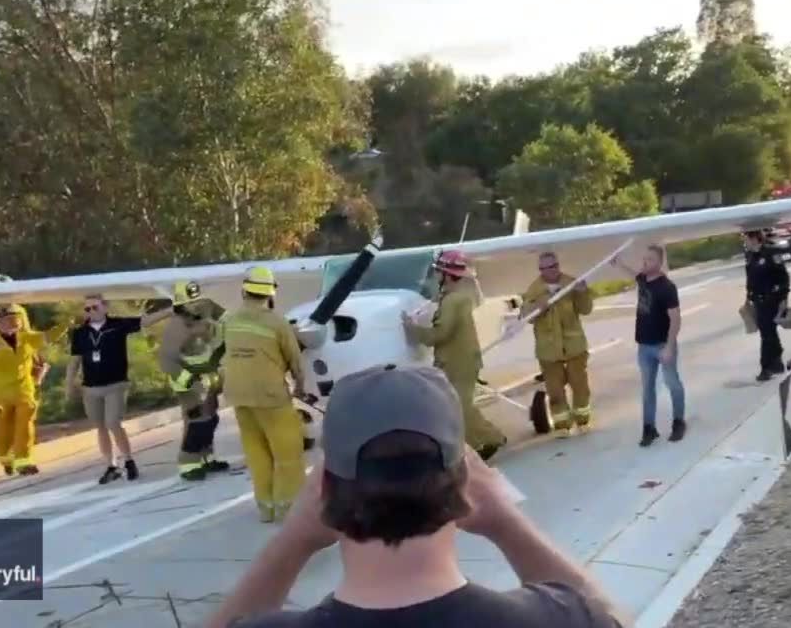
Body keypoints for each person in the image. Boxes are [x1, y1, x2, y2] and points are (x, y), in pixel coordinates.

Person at [205, 363, 627, 628]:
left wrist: (293, 540)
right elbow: (610, 617)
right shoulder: (562, 617)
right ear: (466, 482)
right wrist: (505, 521)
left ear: (325, 491)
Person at [217, 267, 310, 523]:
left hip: (238, 395)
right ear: (270, 293)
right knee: (288, 454)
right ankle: (289, 509)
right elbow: (295, 361)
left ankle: (266, 508)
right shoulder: (276, 322)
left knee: (256, 452)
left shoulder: (231, 321)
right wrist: (300, 386)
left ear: (244, 290)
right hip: (270, 396)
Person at [402, 250, 507, 460]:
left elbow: (438, 335)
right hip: (453, 362)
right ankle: (482, 442)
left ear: (446, 275)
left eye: (438, 272)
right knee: (457, 406)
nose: (435, 276)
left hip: (460, 363)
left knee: (461, 407)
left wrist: (411, 328)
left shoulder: (453, 301)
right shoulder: (450, 298)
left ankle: (492, 438)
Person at [66, 293, 172, 484]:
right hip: (91, 387)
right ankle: (111, 465)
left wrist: (171, 310)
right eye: (87, 309)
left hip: (115, 384)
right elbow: (74, 361)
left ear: (105, 307)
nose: (91, 312)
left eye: (95, 307)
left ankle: (129, 460)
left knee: (113, 422)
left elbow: (145, 321)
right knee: (100, 426)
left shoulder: (117, 325)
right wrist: (69, 384)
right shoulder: (80, 333)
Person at [0, 304, 72, 476]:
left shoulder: (28, 338)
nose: (11, 324)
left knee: (25, 424)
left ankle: (24, 461)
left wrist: (67, 323)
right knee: (2, 429)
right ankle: (6, 458)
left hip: (23, 391)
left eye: (15, 320)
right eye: (6, 321)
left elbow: (48, 336)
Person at [609, 245, 686, 447]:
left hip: (662, 344)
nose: (645, 263)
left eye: (649, 260)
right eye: (644, 260)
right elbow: (634, 275)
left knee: (672, 384)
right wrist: (619, 264)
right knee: (647, 389)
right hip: (644, 346)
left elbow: (676, 319)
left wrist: (669, 347)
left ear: (659, 262)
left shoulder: (667, 287)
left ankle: (679, 421)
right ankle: (648, 428)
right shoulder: (643, 279)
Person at [159, 281, 232, 482]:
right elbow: (166, 359)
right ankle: (188, 464)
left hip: (208, 376)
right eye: (192, 303)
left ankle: (207, 457)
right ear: (181, 305)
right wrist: (191, 381)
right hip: (189, 382)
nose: (197, 307)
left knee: (211, 419)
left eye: (197, 301)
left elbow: (228, 320)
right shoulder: (176, 327)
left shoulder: (205, 310)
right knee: (197, 422)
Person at [519, 251, 595, 437]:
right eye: (544, 268)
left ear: (558, 266)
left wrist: (583, 292)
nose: (549, 271)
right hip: (548, 351)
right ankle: (562, 425)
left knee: (580, 386)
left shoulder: (571, 284)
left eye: (552, 266)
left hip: (574, 347)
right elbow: (525, 317)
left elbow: (586, 309)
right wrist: (538, 307)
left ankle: (583, 420)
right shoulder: (534, 290)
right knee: (555, 391)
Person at [741, 229, 790, 382]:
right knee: (769, 333)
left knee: (767, 334)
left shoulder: (770, 254)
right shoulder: (750, 256)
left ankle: (766, 368)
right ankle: (777, 362)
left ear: (755, 238)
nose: (745, 242)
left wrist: (783, 297)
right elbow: (751, 279)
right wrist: (748, 296)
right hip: (757, 301)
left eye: (747, 239)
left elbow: (783, 277)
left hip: (771, 300)